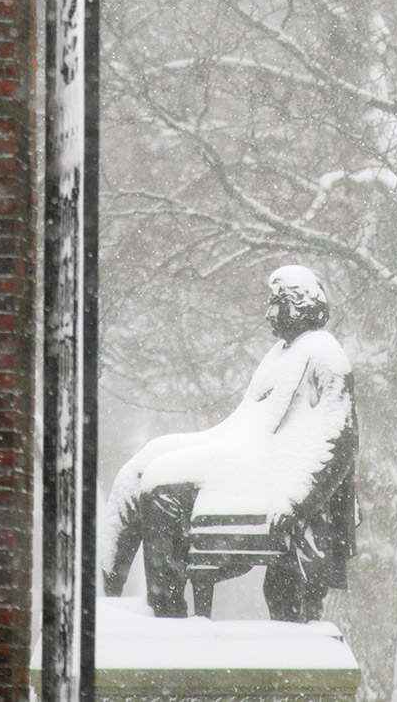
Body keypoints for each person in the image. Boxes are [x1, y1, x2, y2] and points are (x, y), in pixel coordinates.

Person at [100, 265, 358, 620]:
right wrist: (171, 448)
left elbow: (339, 444)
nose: (269, 313)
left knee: (161, 485)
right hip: (245, 459)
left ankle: (167, 612)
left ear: (300, 305)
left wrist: (296, 502)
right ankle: (104, 601)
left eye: (277, 303)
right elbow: (236, 427)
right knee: (139, 469)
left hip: (270, 479)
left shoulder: (325, 356)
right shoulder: (281, 354)